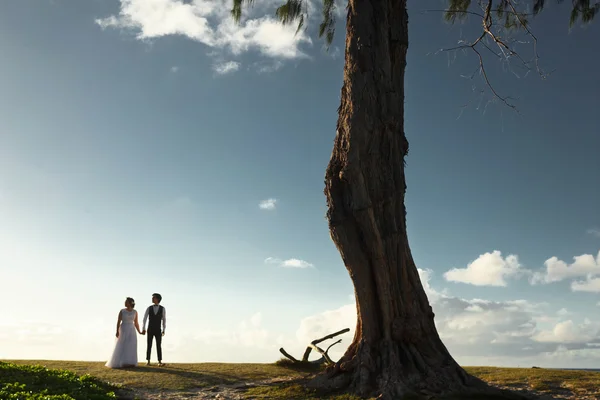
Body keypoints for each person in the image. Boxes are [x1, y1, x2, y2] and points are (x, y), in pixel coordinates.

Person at [106, 297, 143, 368]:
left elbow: (136, 323)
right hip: (123, 328)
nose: (125, 303)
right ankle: (121, 362)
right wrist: (117, 331)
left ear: (130, 303)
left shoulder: (135, 312)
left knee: (131, 345)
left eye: (126, 302)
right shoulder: (122, 311)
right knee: (122, 344)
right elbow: (118, 321)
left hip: (131, 329)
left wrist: (139, 331)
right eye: (125, 302)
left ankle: (130, 362)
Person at [142, 293, 166, 366]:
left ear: (158, 299)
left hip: (158, 329)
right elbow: (145, 318)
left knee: (158, 345)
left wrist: (163, 329)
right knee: (149, 344)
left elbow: (164, 319)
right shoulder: (149, 308)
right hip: (150, 328)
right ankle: (148, 361)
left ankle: (159, 361)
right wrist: (143, 328)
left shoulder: (162, 308)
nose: (152, 299)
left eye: (154, 298)